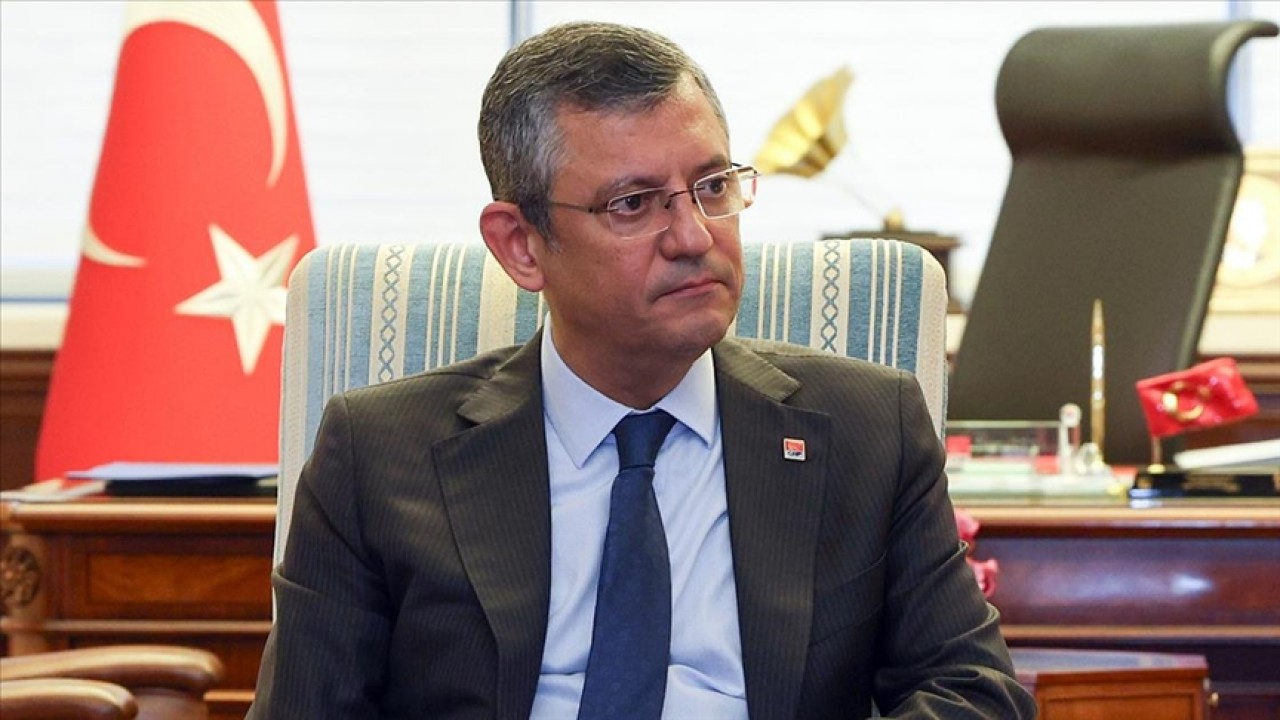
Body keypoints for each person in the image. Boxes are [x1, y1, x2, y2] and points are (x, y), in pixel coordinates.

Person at [249, 21, 1036, 719]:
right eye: (633, 203)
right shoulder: (379, 456)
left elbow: (974, 692)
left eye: (712, 187)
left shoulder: (866, 429)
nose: (693, 236)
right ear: (521, 246)